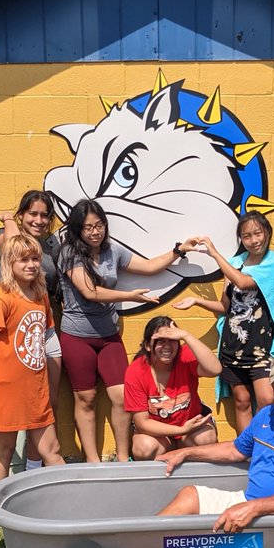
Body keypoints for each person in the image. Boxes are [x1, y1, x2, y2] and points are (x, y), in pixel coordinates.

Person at [57, 197, 199, 463]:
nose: (95, 231)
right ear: (78, 229)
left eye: (99, 225)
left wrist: (178, 251)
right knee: (86, 398)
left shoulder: (112, 250)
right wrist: (129, 296)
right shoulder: (69, 253)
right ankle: (92, 460)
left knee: (122, 397)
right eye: (88, 227)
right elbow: (89, 291)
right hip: (76, 335)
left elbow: (148, 266)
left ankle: (123, 460)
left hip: (108, 335)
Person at [157, 354, 274, 533]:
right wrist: (186, 453)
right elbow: (235, 450)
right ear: (272, 388)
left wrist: (253, 508)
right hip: (253, 504)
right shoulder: (267, 414)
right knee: (190, 495)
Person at [172, 211, 274, 431]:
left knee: (267, 400)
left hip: (262, 348)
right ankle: (245, 452)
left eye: (258, 233)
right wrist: (196, 301)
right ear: (241, 239)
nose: (254, 240)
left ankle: (266, 447)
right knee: (242, 400)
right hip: (233, 345)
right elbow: (225, 307)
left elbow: (245, 283)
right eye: (247, 236)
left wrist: (215, 255)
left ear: (267, 232)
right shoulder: (234, 263)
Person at [0, 234, 66, 483]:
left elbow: (43, 337)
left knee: (51, 449)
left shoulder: (40, 295)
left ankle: (70, 501)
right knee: (4, 450)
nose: (31, 264)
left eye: (35, 258)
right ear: (9, 263)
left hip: (34, 388)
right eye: (23, 260)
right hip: (4, 389)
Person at [0, 190, 63, 470]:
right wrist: (10, 219)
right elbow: (11, 243)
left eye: (45, 215)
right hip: (16, 334)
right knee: (20, 406)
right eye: (32, 213)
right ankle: (14, 468)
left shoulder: (51, 244)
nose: (39, 219)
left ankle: (34, 467)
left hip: (45, 328)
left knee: (47, 403)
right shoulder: (3, 234)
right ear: (21, 215)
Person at [123, 315, 221, 459]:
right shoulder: (136, 371)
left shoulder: (184, 356)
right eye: (160, 341)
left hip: (190, 428)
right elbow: (142, 422)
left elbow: (215, 369)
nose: (167, 346)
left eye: (172, 340)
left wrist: (186, 335)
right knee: (143, 448)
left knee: (206, 439)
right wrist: (179, 429)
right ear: (148, 346)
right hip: (158, 434)